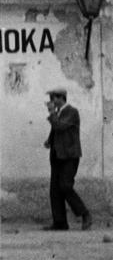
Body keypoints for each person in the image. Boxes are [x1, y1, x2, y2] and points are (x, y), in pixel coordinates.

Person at [44, 88, 91, 231]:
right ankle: (60, 223)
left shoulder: (72, 112)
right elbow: (55, 130)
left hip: (70, 155)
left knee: (65, 186)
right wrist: (49, 140)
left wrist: (52, 113)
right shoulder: (58, 113)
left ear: (61, 98)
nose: (51, 102)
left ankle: (84, 213)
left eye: (53, 98)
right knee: (55, 190)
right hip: (57, 155)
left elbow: (59, 126)